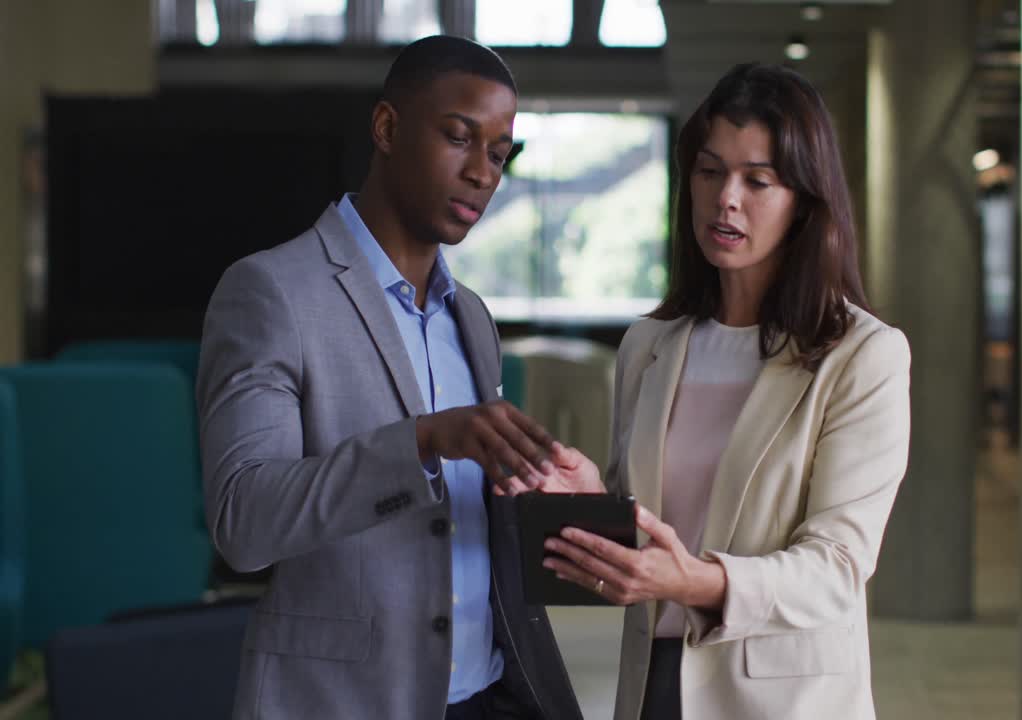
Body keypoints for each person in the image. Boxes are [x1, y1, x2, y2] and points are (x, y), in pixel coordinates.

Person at [197, 36, 583, 720]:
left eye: (498, 155)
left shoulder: (473, 317)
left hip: (489, 696)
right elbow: (244, 524)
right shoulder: (269, 292)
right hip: (344, 702)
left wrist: (569, 506)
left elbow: (474, 535)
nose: (482, 174)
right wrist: (424, 442)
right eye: (460, 138)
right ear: (386, 128)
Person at [538, 63, 912, 720]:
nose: (725, 198)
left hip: (783, 699)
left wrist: (698, 581)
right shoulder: (650, 345)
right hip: (653, 681)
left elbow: (837, 565)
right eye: (709, 173)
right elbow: (655, 530)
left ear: (804, 200)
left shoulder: (862, 354)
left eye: (757, 180)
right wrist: (592, 498)